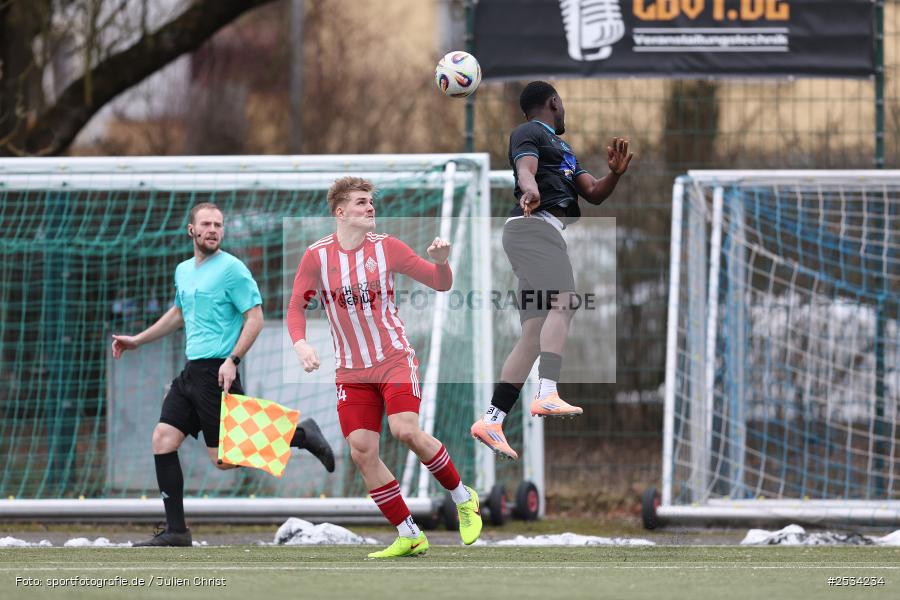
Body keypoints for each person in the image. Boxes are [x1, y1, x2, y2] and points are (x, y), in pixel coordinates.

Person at [112, 202, 335, 547]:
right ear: (192, 230)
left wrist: (233, 359)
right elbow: (179, 312)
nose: (213, 229)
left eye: (218, 224)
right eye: (206, 224)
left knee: (223, 459)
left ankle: (300, 433)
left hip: (218, 372)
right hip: (191, 372)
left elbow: (255, 318)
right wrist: (137, 341)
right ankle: (176, 531)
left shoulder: (233, 270)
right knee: (163, 439)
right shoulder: (184, 271)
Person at [287, 176, 482, 558]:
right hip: (351, 372)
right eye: (360, 203)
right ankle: (409, 533)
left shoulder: (387, 248)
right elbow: (296, 305)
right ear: (340, 212)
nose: (370, 208)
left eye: (371, 202)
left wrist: (442, 264)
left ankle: (463, 497)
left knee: (404, 430)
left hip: (393, 359)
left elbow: (439, 283)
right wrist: (301, 343)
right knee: (362, 451)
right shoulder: (317, 256)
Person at [471, 81, 633, 460]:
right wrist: (529, 188)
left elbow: (591, 191)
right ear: (554, 102)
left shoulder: (565, 150)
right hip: (535, 226)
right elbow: (524, 169)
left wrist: (616, 175)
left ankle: (492, 420)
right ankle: (546, 393)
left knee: (532, 334)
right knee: (566, 300)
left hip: (535, 233)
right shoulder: (529, 133)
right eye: (562, 104)